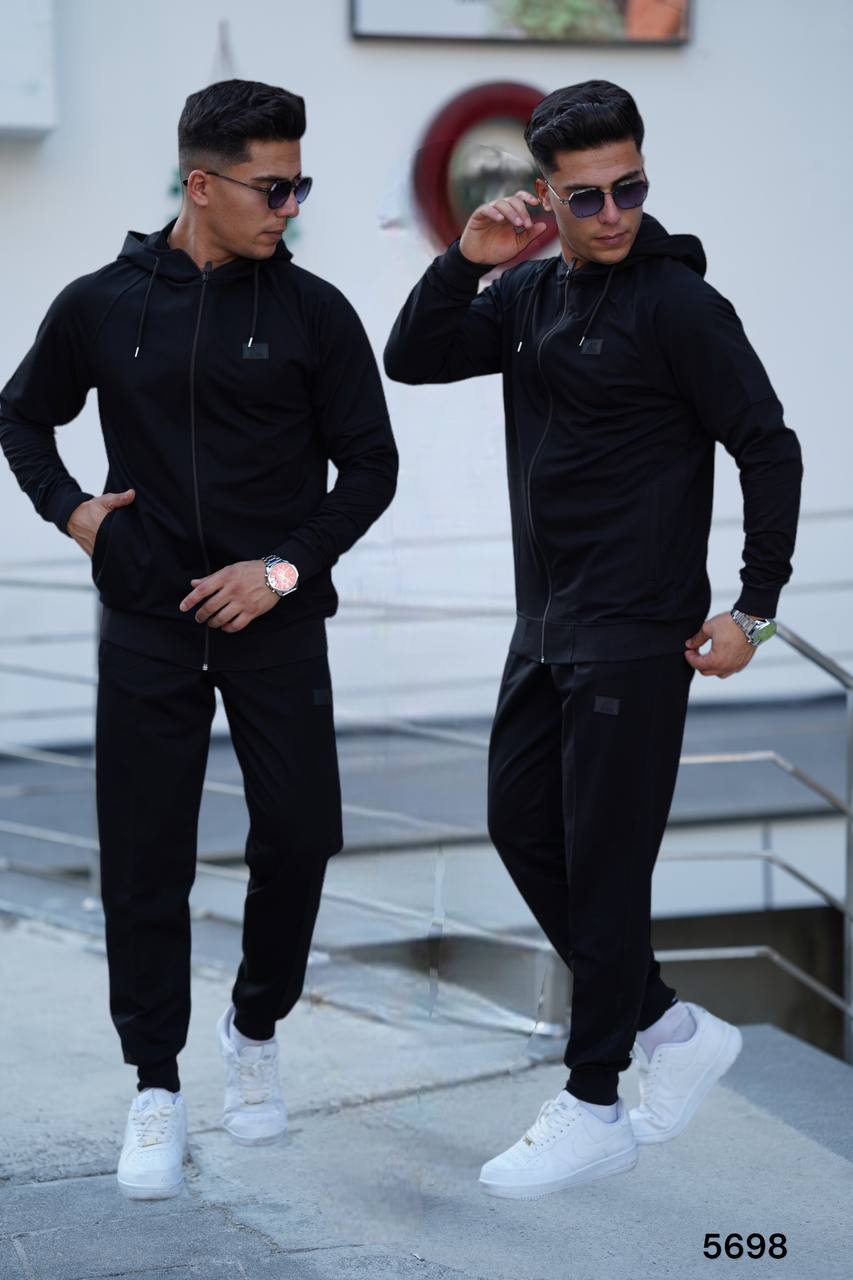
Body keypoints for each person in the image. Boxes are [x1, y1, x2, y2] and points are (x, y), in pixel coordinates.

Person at [384, 79, 801, 1198]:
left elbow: (768, 446)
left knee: (608, 870)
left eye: (629, 188)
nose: (612, 213)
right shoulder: (527, 293)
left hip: (637, 628)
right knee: (518, 823)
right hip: (547, 621)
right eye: (586, 196)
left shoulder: (680, 307)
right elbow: (410, 356)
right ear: (547, 195)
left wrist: (753, 609)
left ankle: (594, 1100)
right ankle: (670, 1027)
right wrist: (466, 259)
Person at [0, 79, 398, 1200]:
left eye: (300, 184)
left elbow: (371, 466)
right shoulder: (101, 303)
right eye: (273, 187)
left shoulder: (315, 311)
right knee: (145, 859)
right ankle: (157, 1084)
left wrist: (282, 570)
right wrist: (74, 513)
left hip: (275, 620)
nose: (290, 205)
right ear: (201, 184)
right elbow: (20, 413)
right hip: (148, 620)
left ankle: (254, 1027)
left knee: (302, 835)